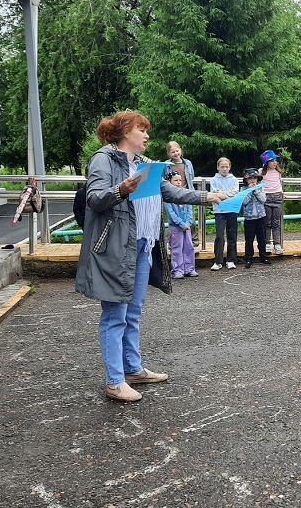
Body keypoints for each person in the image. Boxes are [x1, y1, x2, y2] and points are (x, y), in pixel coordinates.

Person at [75, 110, 225, 402]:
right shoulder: (104, 159)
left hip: (144, 245)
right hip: (115, 248)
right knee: (115, 314)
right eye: (140, 129)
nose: (146, 135)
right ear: (123, 132)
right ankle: (114, 381)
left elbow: (171, 192)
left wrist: (208, 197)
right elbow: (94, 198)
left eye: (146, 130)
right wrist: (121, 189)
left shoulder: (145, 164)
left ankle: (132, 368)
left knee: (133, 312)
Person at [164, 172, 198, 279]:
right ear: (169, 182)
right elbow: (171, 213)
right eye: (175, 180)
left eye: (180, 180)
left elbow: (189, 209)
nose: (178, 183)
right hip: (175, 226)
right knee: (177, 248)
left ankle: (189, 268)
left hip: (187, 226)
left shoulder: (184, 193)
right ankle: (177, 269)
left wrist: (188, 222)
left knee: (189, 246)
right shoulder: (168, 196)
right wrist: (181, 223)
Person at [165, 141, 198, 246]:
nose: (175, 153)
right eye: (172, 152)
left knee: (190, 217)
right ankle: (174, 241)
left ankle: (193, 240)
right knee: (174, 215)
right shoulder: (166, 164)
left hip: (186, 192)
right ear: (169, 154)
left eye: (177, 151)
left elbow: (191, 176)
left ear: (181, 150)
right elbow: (165, 179)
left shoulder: (187, 163)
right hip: (173, 193)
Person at [209, 157, 240, 270]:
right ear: (218, 167)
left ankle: (231, 260)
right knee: (219, 236)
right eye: (222, 167)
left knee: (232, 235)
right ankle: (218, 261)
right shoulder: (214, 180)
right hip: (219, 210)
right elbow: (215, 193)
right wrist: (224, 194)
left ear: (230, 167)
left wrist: (224, 194)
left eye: (226, 167)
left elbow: (235, 192)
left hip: (232, 209)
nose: (224, 169)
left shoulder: (234, 179)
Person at [241, 168, 271, 268]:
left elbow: (263, 199)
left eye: (254, 178)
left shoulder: (260, 188)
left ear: (258, 179)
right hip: (249, 218)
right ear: (246, 180)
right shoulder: (243, 189)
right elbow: (244, 201)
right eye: (250, 178)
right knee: (249, 239)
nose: (252, 180)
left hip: (261, 217)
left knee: (262, 238)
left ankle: (263, 257)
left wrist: (256, 191)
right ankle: (248, 259)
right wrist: (250, 191)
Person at [260, 150, 285, 254]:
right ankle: (267, 244)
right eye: (271, 161)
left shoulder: (277, 171)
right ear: (266, 162)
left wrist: (282, 193)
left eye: (275, 160)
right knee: (267, 223)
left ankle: (277, 244)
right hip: (266, 198)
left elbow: (278, 183)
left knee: (276, 222)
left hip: (277, 197)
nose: (274, 163)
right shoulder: (261, 171)